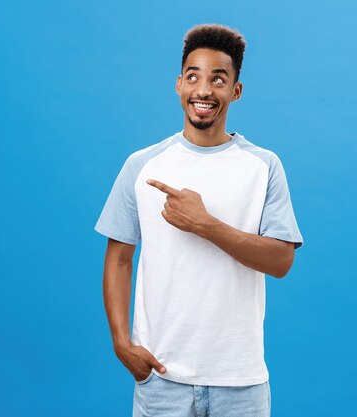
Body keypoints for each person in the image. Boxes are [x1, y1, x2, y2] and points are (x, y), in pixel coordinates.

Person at [94, 23, 303, 417]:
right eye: (193, 76)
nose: (204, 90)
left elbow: (281, 261)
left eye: (218, 79)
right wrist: (122, 343)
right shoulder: (142, 165)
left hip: (240, 383)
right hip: (161, 379)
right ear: (179, 85)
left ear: (235, 91)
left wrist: (205, 225)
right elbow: (120, 257)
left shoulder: (263, 166)